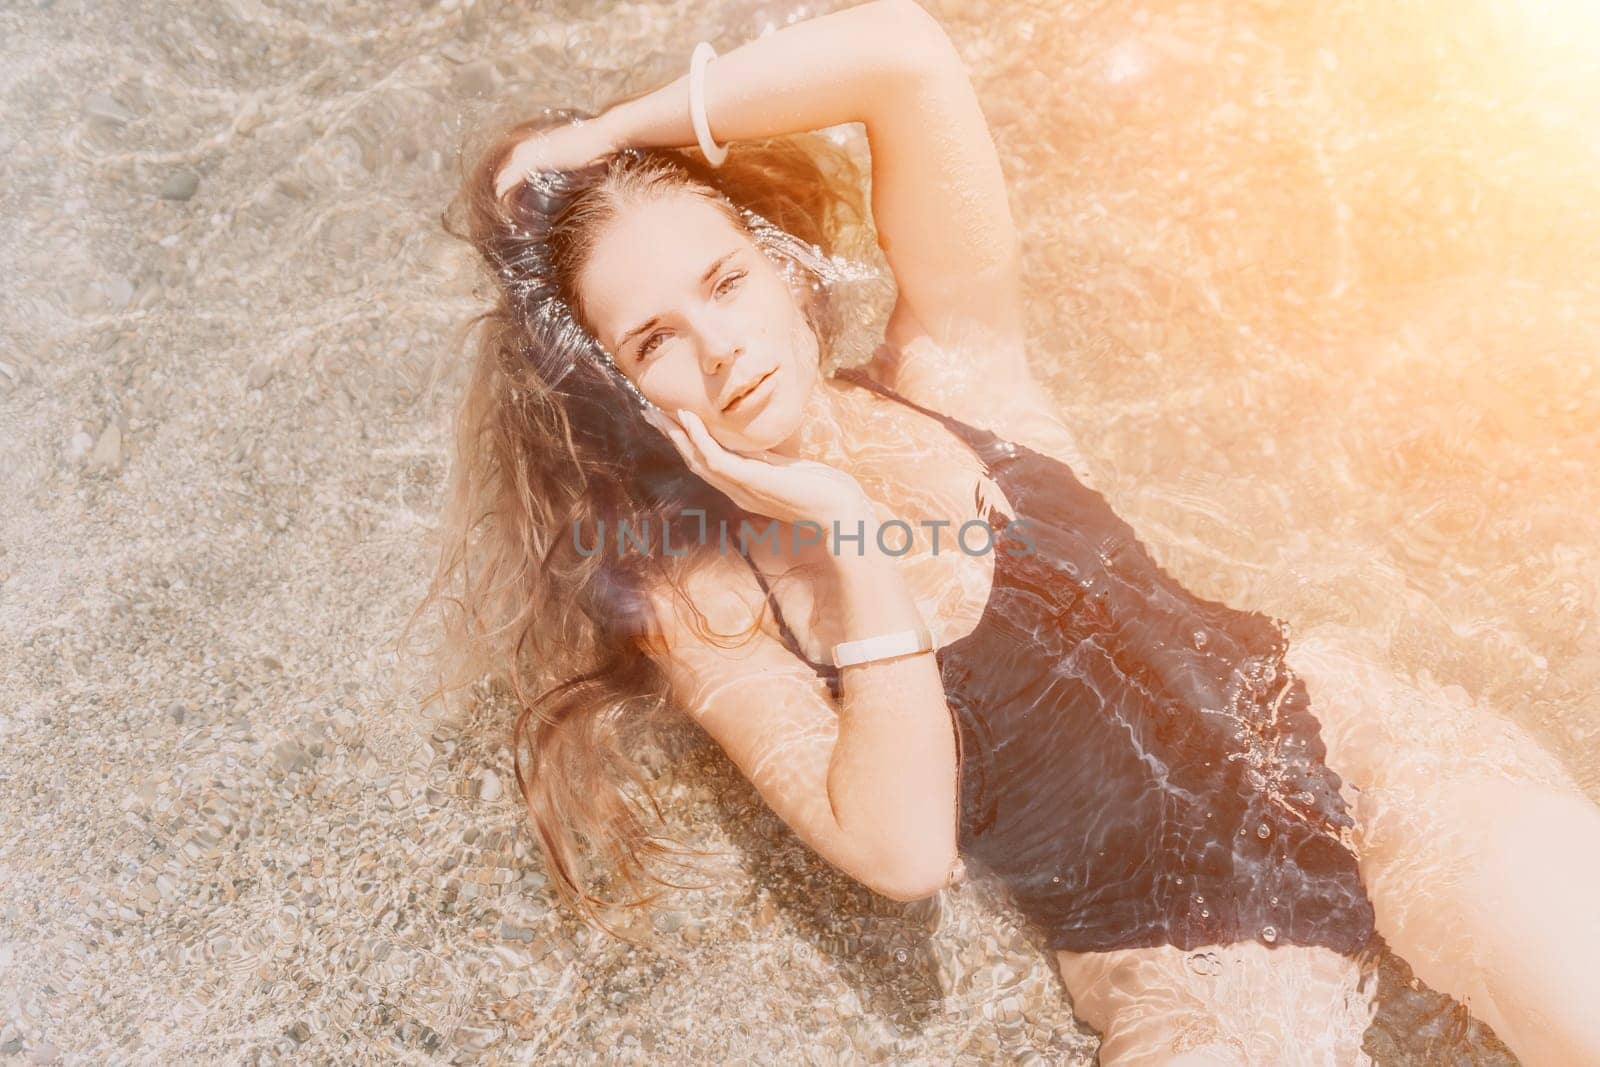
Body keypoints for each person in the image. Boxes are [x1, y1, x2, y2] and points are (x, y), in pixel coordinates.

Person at [408, 1, 1600, 1062]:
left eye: (723, 281)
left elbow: (904, 55)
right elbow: (902, 849)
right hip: (1184, 951)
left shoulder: (951, 366)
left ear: (778, 267)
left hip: (1354, 752)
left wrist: (603, 134)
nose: (718, 346)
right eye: (652, 338)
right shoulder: (711, 599)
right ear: (616, 387)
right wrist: (841, 522)